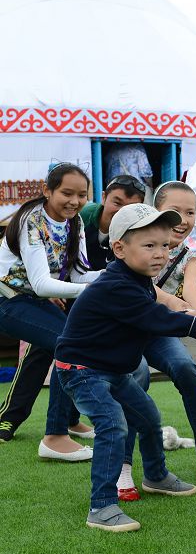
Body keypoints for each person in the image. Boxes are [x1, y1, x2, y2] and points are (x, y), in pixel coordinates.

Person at [54, 203, 196, 531]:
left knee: (147, 417)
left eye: (165, 246)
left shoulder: (138, 279)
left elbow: (158, 311)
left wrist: (193, 315)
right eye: (149, 245)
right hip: (82, 370)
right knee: (114, 425)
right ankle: (101, 506)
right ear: (119, 248)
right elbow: (158, 320)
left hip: (113, 369)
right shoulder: (117, 285)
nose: (161, 254)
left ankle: (156, 476)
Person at [118, 182, 196, 501]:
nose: (183, 219)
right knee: (135, 376)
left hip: (156, 332)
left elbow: (192, 288)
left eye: (191, 212)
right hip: (124, 333)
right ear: (156, 212)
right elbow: (146, 291)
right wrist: (178, 305)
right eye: (176, 212)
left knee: (186, 367)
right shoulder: (132, 242)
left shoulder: (189, 254)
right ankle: (123, 467)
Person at [0, 163, 100, 456]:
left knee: (51, 347)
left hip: (33, 299)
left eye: (82, 195)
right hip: (8, 298)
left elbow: (80, 273)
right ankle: (54, 437)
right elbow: (43, 284)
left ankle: (58, 421)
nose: (74, 201)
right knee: (67, 344)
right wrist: (96, 289)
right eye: (66, 193)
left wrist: (117, 274)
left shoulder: (76, 222)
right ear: (47, 191)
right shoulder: (32, 220)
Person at [80, 174, 147, 269]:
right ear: (103, 198)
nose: (122, 212)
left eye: (130, 207)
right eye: (117, 203)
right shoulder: (81, 215)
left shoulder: (140, 229)